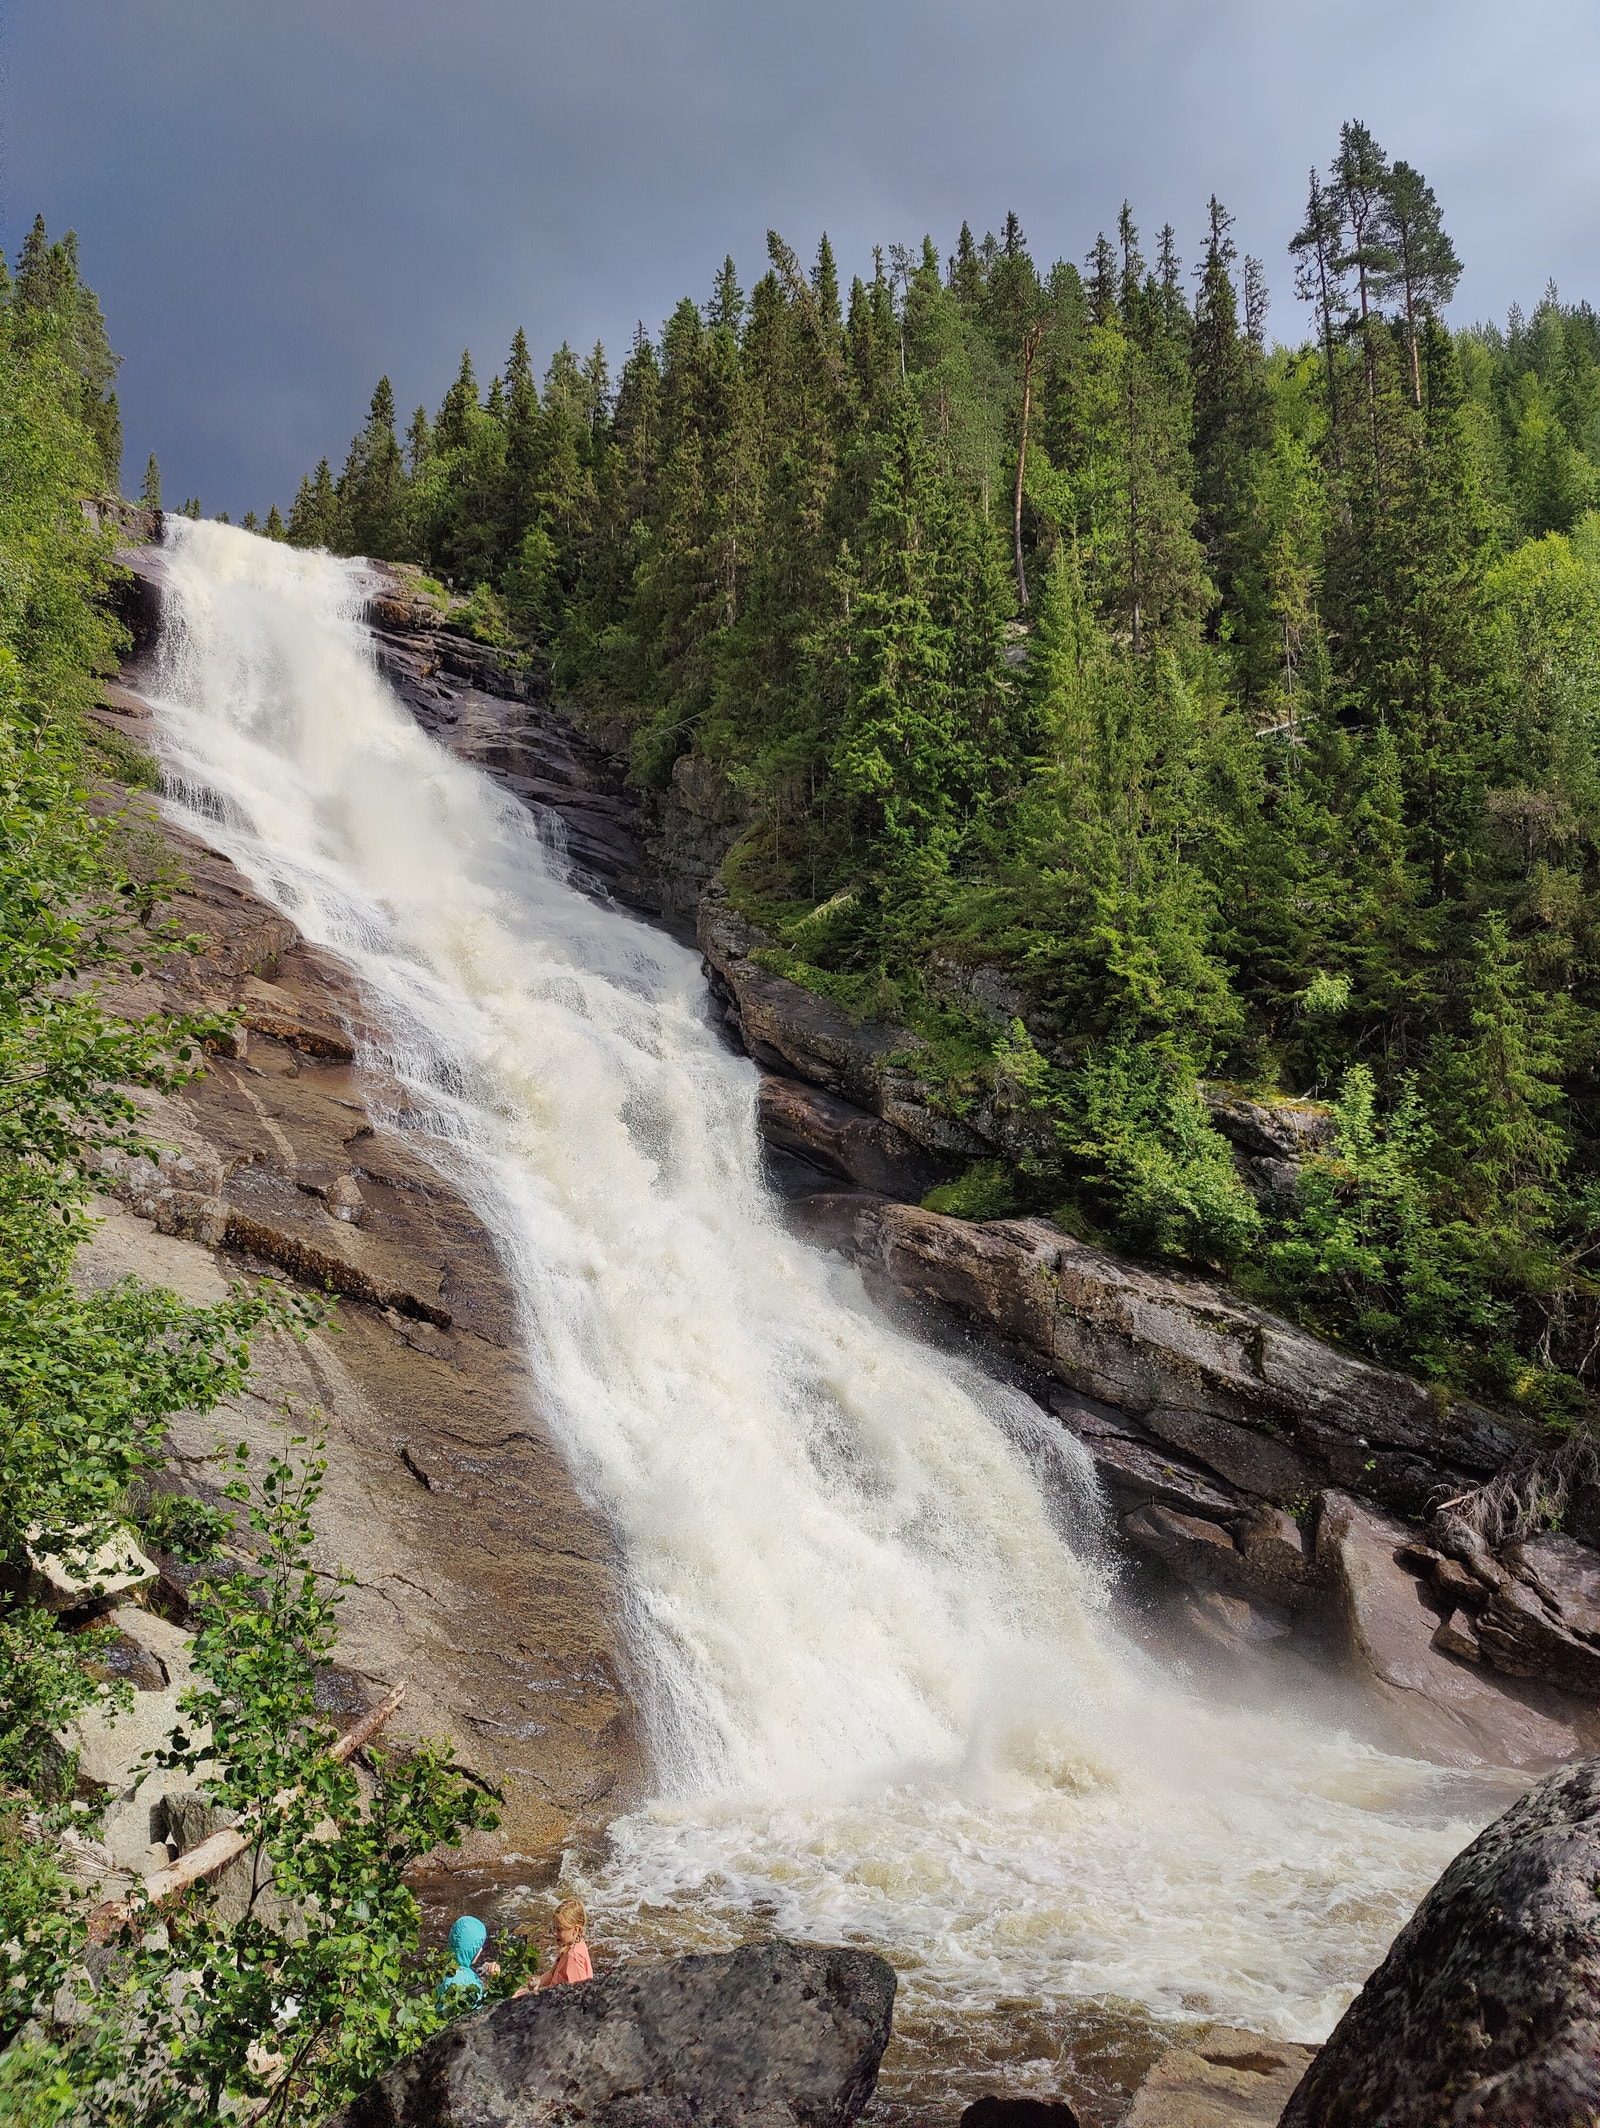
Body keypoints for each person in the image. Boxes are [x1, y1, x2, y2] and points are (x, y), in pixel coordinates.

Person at [514, 1896, 593, 1995]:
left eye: (559, 1929)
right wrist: (539, 1982)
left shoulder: (574, 1957)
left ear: (575, 1930)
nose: (554, 1933)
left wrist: (538, 1993)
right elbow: (552, 1973)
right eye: (554, 1928)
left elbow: (577, 1993)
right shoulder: (568, 1948)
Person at [437, 1914, 500, 2006]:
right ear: (471, 1950)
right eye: (478, 1946)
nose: (481, 1949)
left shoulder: (440, 1968)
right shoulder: (468, 1983)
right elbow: (481, 2008)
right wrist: (493, 1980)